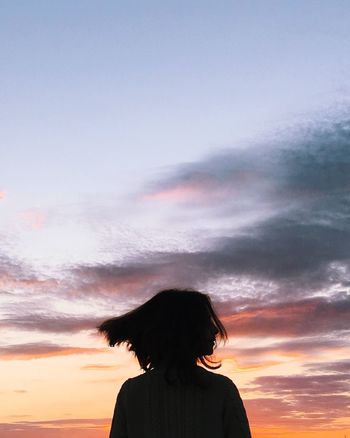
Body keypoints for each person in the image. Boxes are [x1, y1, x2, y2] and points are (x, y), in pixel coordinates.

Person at [98, 288, 252, 438]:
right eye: (206, 322)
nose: (215, 329)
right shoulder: (222, 389)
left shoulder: (132, 392)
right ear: (185, 329)